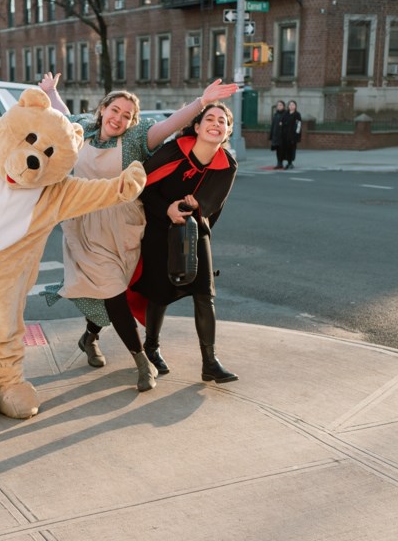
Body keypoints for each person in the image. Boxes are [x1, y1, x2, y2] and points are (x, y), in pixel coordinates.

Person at [39, 72, 237, 391]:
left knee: (113, 287)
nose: (119, 118)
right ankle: (143, 359)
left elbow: (171, 124)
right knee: (111, 287)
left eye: (127, 115)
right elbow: (61, 111)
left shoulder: (135, 138)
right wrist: (50, 92)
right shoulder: (79, 128)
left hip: (124, 226)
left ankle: (91, 336)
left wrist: (202, 101)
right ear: (102, 109)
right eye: (115, 110)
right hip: (85, 226)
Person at [127, 102, 239, 384]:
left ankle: (210, 362)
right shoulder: (174, 151)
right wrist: (168, 209)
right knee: (158, 292)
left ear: (227, 131)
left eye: (222, 121)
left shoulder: (227, 164)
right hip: (158, 227)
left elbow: (213, 206)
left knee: (205, 294)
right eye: (210, 119)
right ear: (198, 127)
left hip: (194, 230)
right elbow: (143, 188)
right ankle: (151, 346)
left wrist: (197, 215)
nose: (216, 123)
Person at [269, 99, 300, 169]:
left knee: (288, 150)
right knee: (278, 150)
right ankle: (279, 163)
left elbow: (297, 125)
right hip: (278, 135)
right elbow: (273, 126)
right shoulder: (276, 115)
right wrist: (271, 135)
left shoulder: (294, 114)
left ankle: (289, 163)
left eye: (280, 105)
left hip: (287, 136)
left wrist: (296, 136)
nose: (279, 106)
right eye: (278, 105)